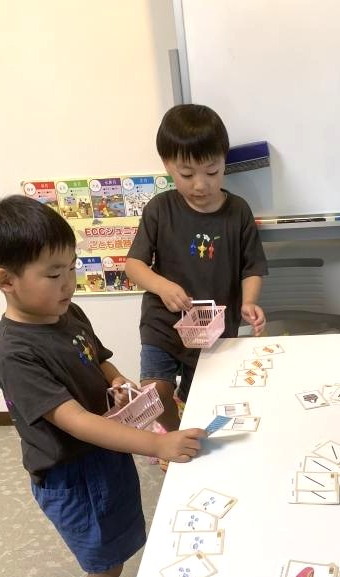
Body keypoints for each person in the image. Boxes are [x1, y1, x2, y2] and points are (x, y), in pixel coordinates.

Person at [0, 195, 206, 577]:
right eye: (54, 274)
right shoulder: (14, 353)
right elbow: (74, 421)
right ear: (5, 280)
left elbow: (96, 358)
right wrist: (158, 442)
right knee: (101, 568)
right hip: (71, 476)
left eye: (72, 268)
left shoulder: (66, 312)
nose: (69, 283)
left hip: (103, 454)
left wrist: (118, 383)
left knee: (119, 545)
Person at [125, 104, 268, 433]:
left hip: (212, 328)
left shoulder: (238, 211)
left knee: (201, 396)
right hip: (164, 322)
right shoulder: (160, 209)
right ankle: (171, 438)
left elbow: (252, 266)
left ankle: (187, 423)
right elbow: (134, 265)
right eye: (187, 174)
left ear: (224, 161)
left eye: (212, 171)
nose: (200, 185)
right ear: (167, 165)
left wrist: (249, 302)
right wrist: (162, 286)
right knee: (155, 392)